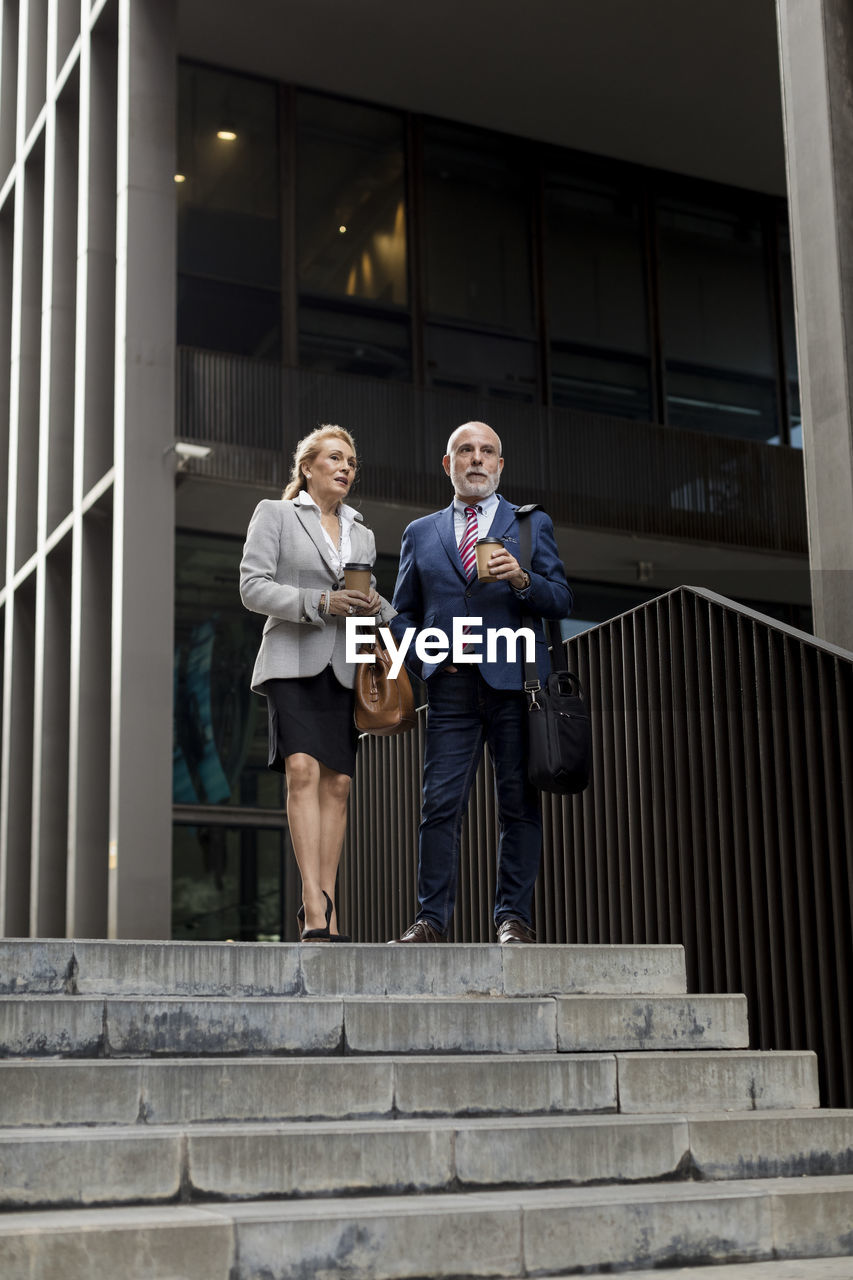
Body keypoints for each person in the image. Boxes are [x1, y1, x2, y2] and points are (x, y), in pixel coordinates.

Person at [389, 421, 572, 944]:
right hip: (450, 690)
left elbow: (560, 600)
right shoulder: (420, 533)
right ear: (447, 465)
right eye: (464, 451)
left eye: (486, 451)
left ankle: (512, 918)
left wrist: (520, 578)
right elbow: (402, 614)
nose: (475, 459)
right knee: (439, 805)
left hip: (517, 685)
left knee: (518, 803)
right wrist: (427, 660)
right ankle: (430, 921)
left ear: (499, 465)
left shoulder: (531, 525)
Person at [240, 425, 393, 941]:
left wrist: (377, 606)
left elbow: (372, 598)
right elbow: (252, 587)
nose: (346, 467)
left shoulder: (362, 533)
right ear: (308, 467)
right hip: (291, 661)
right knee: (301, 769)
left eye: (352, 460)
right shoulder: (276, 515)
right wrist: (319, 603)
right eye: (335, 458)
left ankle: (327, 901)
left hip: (344, 666)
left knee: (340, 784)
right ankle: (312, 904)